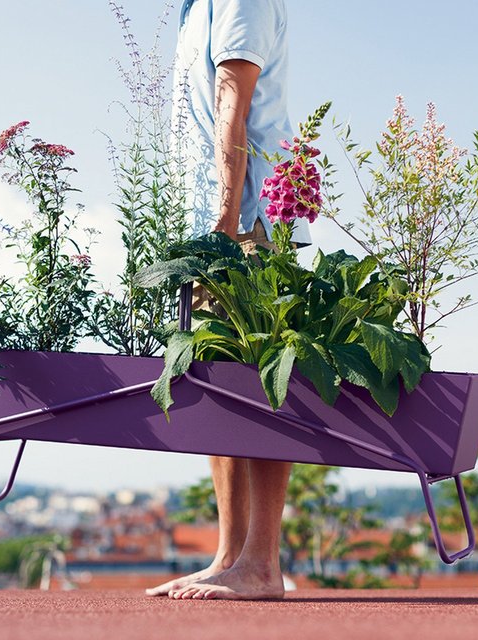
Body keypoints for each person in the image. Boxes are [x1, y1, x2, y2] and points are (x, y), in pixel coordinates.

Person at [146, 0, 309, 601]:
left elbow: (233, 102)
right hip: (209, 226)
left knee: (265, 387)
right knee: (217, 386)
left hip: (249, 226)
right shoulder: (193, 9)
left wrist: (222, 225)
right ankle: (229, 556)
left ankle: (262, 564)